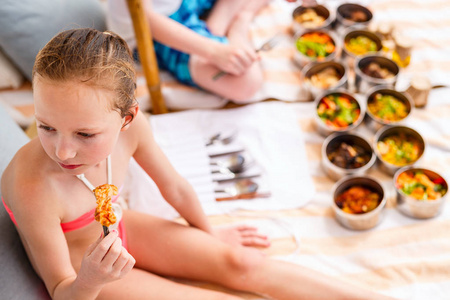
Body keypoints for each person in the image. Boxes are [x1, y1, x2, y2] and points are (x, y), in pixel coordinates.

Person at [1, 28, 394, 299]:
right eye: (46, 127)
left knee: (241, 261)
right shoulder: (32, 184)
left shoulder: (134, 128)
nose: (62, 152)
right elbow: (60, 291)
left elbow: (174, 187)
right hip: (81, 265)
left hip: (120, 226)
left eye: (84, 135)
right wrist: (90, 279)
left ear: (126, 117)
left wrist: (209, 234)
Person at [107, 0, 272, 103]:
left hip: (181, 5)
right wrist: (215, 51)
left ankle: (220, 25)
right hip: (151, 30)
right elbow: (147, 19)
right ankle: (228, 28)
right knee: (247, 83)